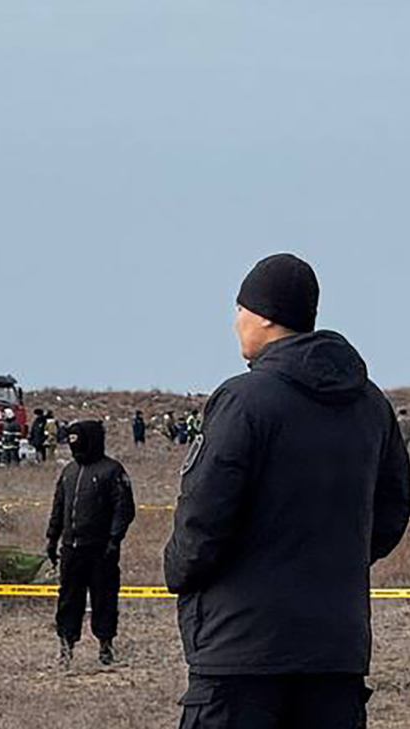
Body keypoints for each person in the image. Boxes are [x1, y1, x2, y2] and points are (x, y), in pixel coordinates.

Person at [164, 253, 410, 729]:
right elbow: (395, 505)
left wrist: (179, 572)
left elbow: (202, 517)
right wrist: (341, 558)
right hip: (335, 654)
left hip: (241, 656)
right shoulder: (371, 405)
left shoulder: (244, 401)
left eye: (239, 310)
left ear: (265, 316)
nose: (235, 322)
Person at [45, 420, 135, 668]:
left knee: (104, 598)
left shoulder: (112, 471)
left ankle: (106, 646)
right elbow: (58, 507)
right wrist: (52, 539)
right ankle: (66, 647)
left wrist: (114, 540)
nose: (75, 447)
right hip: (71, 549)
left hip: (101, 551)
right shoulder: (69, 472)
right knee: (68, 599)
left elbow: (124, 509)